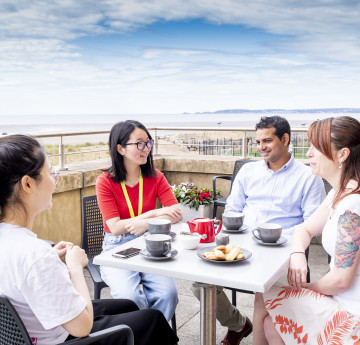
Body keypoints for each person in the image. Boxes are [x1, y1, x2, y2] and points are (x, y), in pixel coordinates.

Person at [0, 134, 179, 345]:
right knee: (153, 319)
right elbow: (82, 326)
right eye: (50, 172)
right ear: (27, 184)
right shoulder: (35, 254)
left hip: (35, 327)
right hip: (63, 337)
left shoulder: (16, 243)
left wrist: (49, 257)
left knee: (128, 306)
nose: (54, 179)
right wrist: (75, 267)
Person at [191, 116, 326, 345]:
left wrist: (274, 236)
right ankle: (238, 324)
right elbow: (232, 209)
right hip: (242, 244)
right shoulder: (248, 172)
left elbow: (312, 224)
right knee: (199, 284)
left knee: (262, 296)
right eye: (258, 141)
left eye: (267, 140)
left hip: (282, 249)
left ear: (285, 139)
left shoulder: (308, 177)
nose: (261, 147)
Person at [253, 116, 360, 345]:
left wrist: (304, 287)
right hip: (341, 301)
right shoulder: (339, 192)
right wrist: (298, 253)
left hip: (353, 315)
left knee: (265, 297)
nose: (309, 153)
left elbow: (341, 281)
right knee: (272, 325)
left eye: (316, 147)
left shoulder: (353, 204)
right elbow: (304, 229)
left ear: (342, 155)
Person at [96, 120, 182, 322]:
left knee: (168, 295)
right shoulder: (105, 181)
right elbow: (115, 228)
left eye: (148, 143)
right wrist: (152, 215)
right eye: (139, 144)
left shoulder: (155, 176)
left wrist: (144, 224)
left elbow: (176, 213)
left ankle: (152, 336)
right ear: (120, 148)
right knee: (132, 299)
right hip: (117, 247)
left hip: (150, 243)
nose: (146, 149)